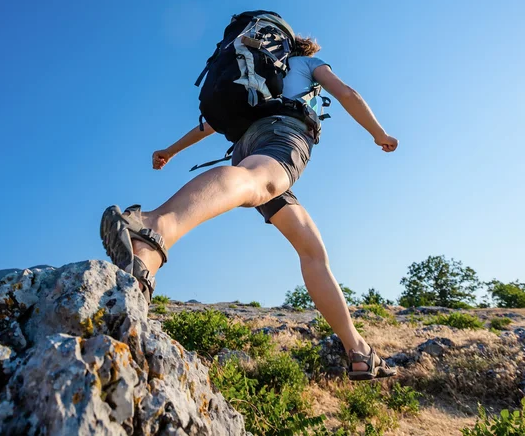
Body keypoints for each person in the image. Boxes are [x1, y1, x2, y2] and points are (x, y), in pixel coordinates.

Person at [101, 30, 399, 381]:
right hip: (284, 136)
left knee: (312, 250)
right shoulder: (307, 64)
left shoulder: (255, 80)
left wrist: (170, 150)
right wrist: (380, 134)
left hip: (249, 143)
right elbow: (348, 93)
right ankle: (153, 229)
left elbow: (211, 125)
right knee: (258, 183)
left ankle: (358, 350)